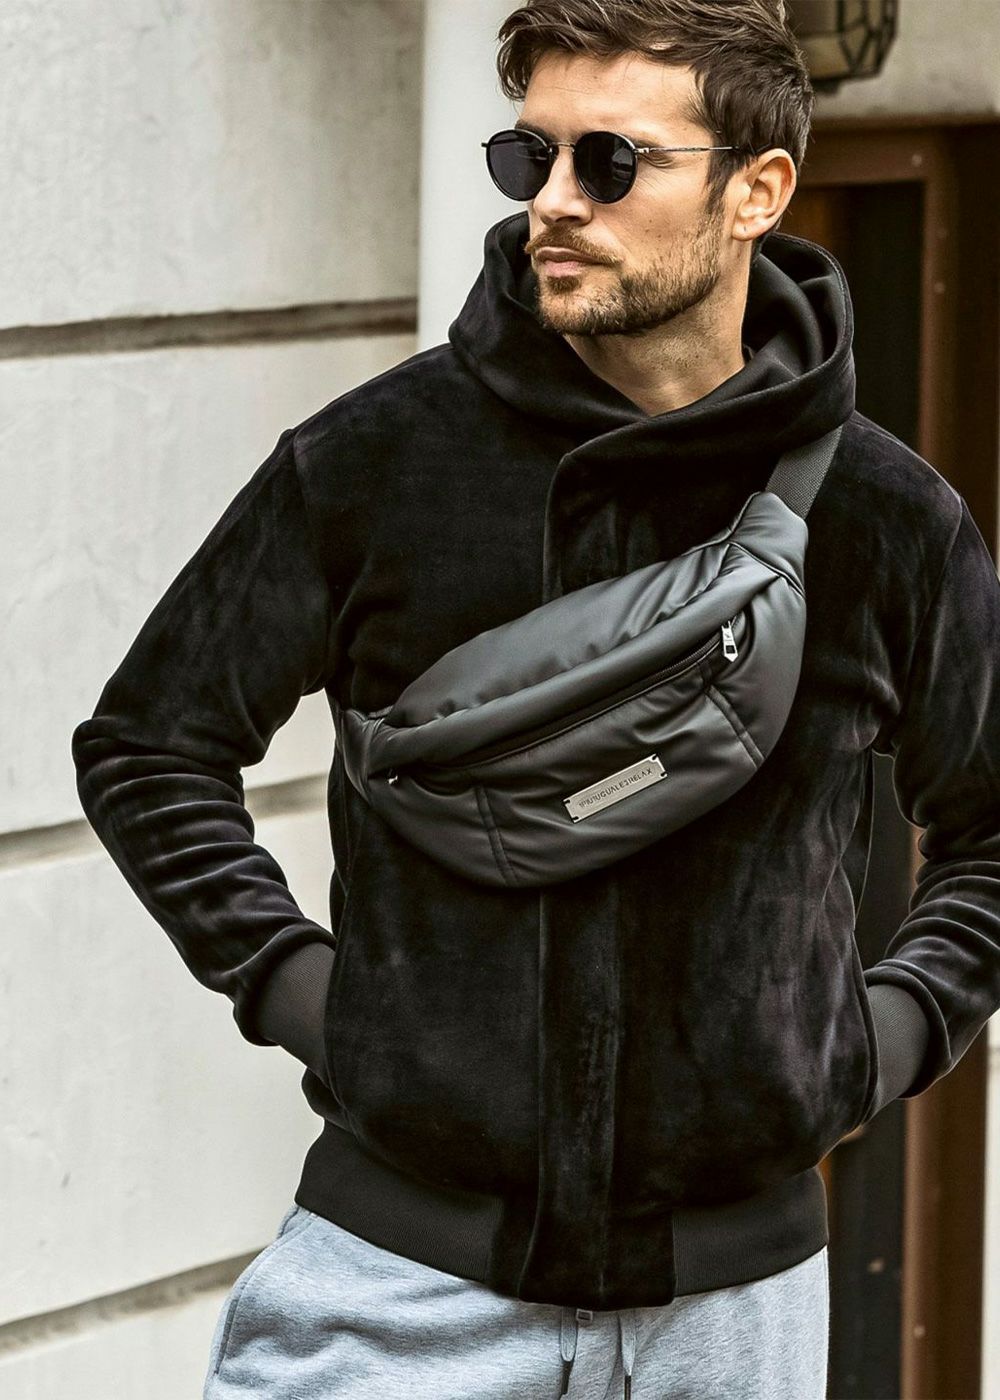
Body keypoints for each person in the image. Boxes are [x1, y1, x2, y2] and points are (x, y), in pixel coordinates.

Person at [71, 1, 1000, 1396]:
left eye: (611, 162)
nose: (554, 203)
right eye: (531, 157)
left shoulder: (887, 516)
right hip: (394, 1278)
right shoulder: (371, 465)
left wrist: (884, 1037)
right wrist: (306, 993)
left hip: (735, 1312)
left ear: (757, 191)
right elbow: (149, 746)